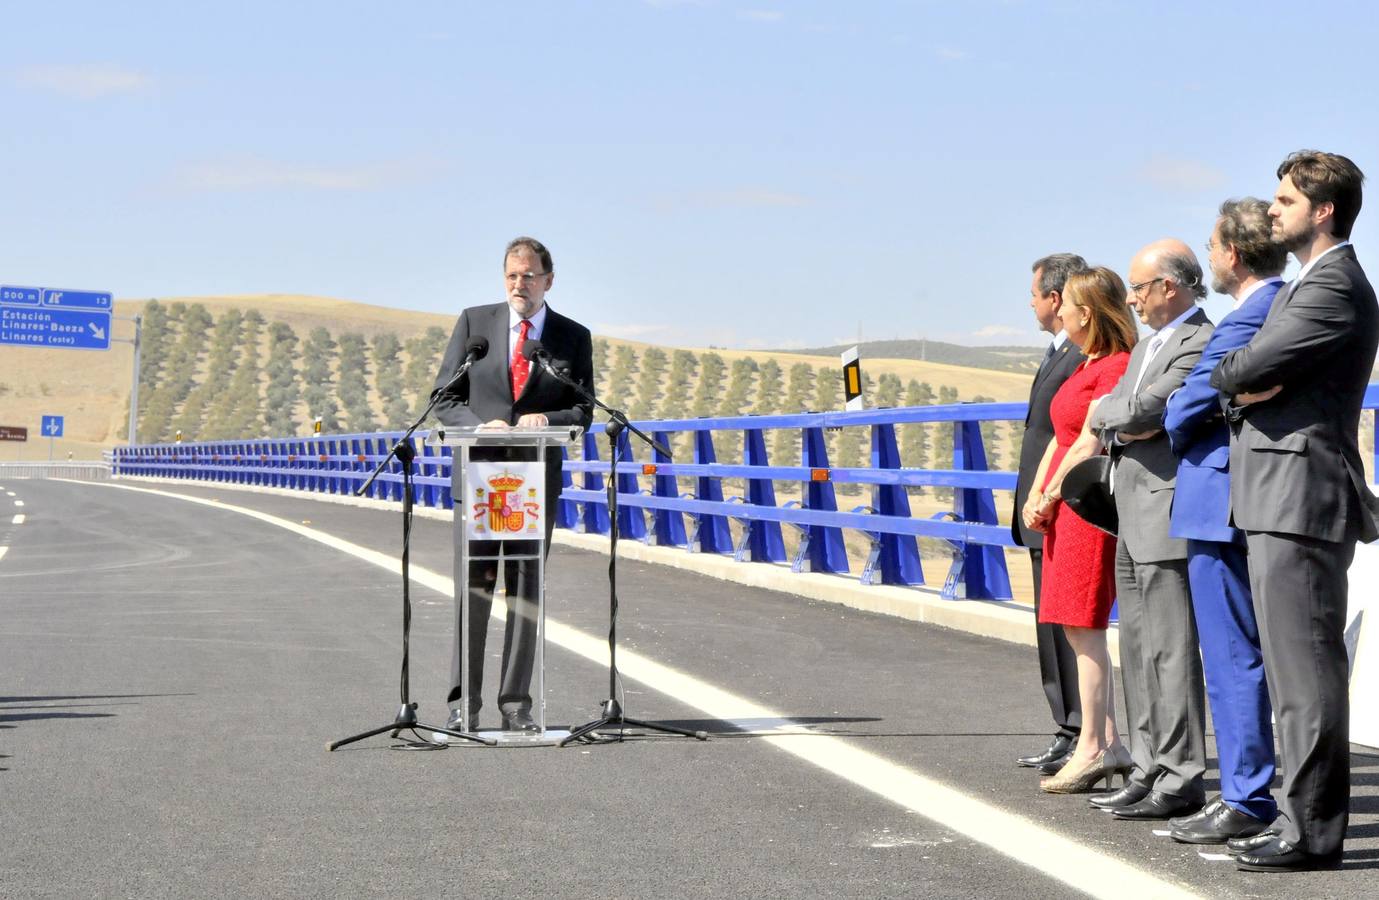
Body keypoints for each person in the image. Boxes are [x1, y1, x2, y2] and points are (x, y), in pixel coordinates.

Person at [1212, 150, 1378, 872]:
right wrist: (1243, 381)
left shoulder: (1332, 286)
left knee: (1305, 674)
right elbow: (1241, 374)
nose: (1270, 209)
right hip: (1276, 494)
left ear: (1322, 211)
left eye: (1284, 200)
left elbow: (1242, 367)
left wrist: (1243, 379)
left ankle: (1310, 831)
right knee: (1289, 672)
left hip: (1299, 495)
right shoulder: (1300, 287)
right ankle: (1296, 818)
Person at [431, 236, 595, 732]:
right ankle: (465, 703)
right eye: (511, 275)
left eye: (528, 275)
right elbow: (444, 397)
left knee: (525, 590)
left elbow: (583, 409)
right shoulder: (474, 324)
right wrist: (479, 425)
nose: (518, 284)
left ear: (548, 279)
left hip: (533, 481)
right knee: (475, 587)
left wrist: (547, 418)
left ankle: (517, 704)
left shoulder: (571, 336)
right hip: (480, 476)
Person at [1161, 200, 1285, 845]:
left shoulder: (1252, 313)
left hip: (1221, 501)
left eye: (1211, 247)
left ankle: (1246, 795)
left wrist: (1189, 406)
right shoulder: (1271, 307)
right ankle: (1252, 790)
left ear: (1232, 254)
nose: (1210, 257)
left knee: (1233, 652)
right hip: (1237, 497)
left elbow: (1186, 406)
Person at [1087, 240, 1213, 821]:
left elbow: (1143, 413)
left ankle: (1182, 773)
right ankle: (1147, 765)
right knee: (1135, 648)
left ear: (1171, 286)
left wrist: (1122, 419)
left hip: (1164, 513)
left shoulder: (1199, 340)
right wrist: (1121, 419)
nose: (1133, 298)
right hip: (1129, 511)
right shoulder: (1146, 346)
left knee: (1170, 649)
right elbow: (1111, 410)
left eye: (1140, 287)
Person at [1020, 266, 1137, 793]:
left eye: (1064, 303)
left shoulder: (1113, 367)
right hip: (1060, 507)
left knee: (1084, 626)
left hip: (1085, 509)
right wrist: (1037, 494)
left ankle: (1091, 747)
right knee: (1071, 625)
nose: (1055, 310)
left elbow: (1090, 440)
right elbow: (1058, 437)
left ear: (1085, 313)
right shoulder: (1082, 365)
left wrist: (1049, 494)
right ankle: (1106, 740)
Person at [1012, 254, 1087, 774]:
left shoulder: (1081, 356)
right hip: (1041, 508)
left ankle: (1079, 729)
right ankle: (1066, 727)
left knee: (1066, 626)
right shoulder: (1056, 352)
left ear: (1055, 300)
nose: (1031, 304)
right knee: (1049, 627)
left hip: (1059, 508)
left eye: (1035, 295)